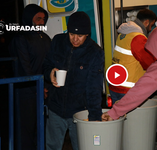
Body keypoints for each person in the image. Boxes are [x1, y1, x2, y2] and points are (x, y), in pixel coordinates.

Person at [43, 11, 104, 150]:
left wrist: (94, 117)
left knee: (81, 146)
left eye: (80, 36)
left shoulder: (95, 53)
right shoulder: (58, 41)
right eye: (71, 34)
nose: (75, 39)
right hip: (56, 108)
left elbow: (94, 88)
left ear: (87, 34)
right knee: (51, 146)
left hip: (79, 113)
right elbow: (46, 63)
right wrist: (49, 73)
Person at [8, 4, 51, 150]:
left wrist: (46, 86)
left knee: (41, 128)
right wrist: (37, 88)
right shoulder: (21, 38)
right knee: (26, 129)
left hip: (43, 90)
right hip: (25, 92)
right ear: (28, 19)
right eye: (38, 19)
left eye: (43, 19)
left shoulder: (45, 38)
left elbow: (49, 63)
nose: (41, 22)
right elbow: (24, 67)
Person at [109, 8, 157, 104]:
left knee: (118, 116)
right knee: (132, 118)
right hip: (128, 89)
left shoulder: (123, 34)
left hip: (114, 85)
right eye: (151, 25)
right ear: (147, 22)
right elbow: (148, 63)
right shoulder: (138, 37)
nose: (150, 29)